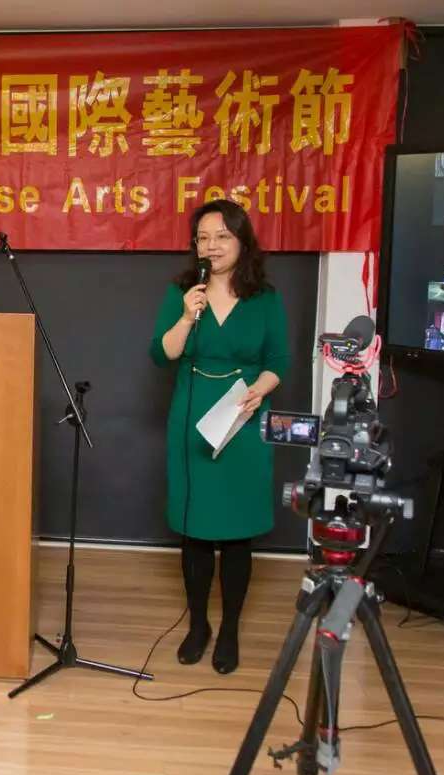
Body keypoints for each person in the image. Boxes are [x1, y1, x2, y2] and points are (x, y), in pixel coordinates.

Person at [150, 199, 290, 675]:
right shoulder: (183, 292)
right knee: (195, 531)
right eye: (203, 238)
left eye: (222, 236)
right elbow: (162, 354)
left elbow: (279, 361)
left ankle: (229, 629)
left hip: (243, 420)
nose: (212, 246)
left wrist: (259, 390)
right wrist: (187, 316)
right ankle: (199, 626)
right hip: (192, 420)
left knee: (235, 536)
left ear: (242, 241)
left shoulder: (265, 297)